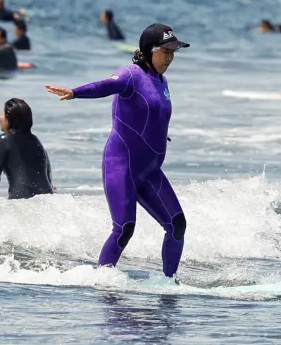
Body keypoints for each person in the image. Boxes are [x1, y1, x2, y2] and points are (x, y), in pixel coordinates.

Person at [45, 23, 190, 278]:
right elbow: (105, 86)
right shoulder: (130, 74)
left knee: (177, 224)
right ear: (149, 50)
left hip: (151, 171)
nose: (170, 57)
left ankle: (169, 284)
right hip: (122, 165)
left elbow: (151, 115)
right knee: (124, 228)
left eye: (173, 52)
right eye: (165, 51)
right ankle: (102, 280)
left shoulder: (162, 80)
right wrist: (74, 93)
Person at [0, 97, 54, 200]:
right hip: (48, 198)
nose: (0, 119)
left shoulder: (2, 140)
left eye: (2, 114)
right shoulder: (35, 140)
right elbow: (47, 172)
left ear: (10, 118)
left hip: (20, 200)